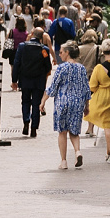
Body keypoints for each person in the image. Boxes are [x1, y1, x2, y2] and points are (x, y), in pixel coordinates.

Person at [43, 42, 92, 170]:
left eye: (61, 52)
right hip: (77, 103)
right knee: (74, 132)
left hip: (62, 102)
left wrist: (43, 101)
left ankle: (64, 161)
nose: (59, 54)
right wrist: (87, 106)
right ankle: (77, 152)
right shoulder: (81, 68)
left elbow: (53, 87)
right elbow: (86, 89)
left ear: (67, 53)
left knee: (62, 132)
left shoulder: (61, 68)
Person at [12, 32, 53, 137]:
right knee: (36, 103)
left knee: (25, 101)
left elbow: (16, 63)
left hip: (25, 79)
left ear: (32, 35)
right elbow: (48, 66)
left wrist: (14, 80)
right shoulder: (44, 49)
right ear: (41, 38)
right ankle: (34, 128)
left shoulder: (22, 46)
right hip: (38, 81)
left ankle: (26, 121)